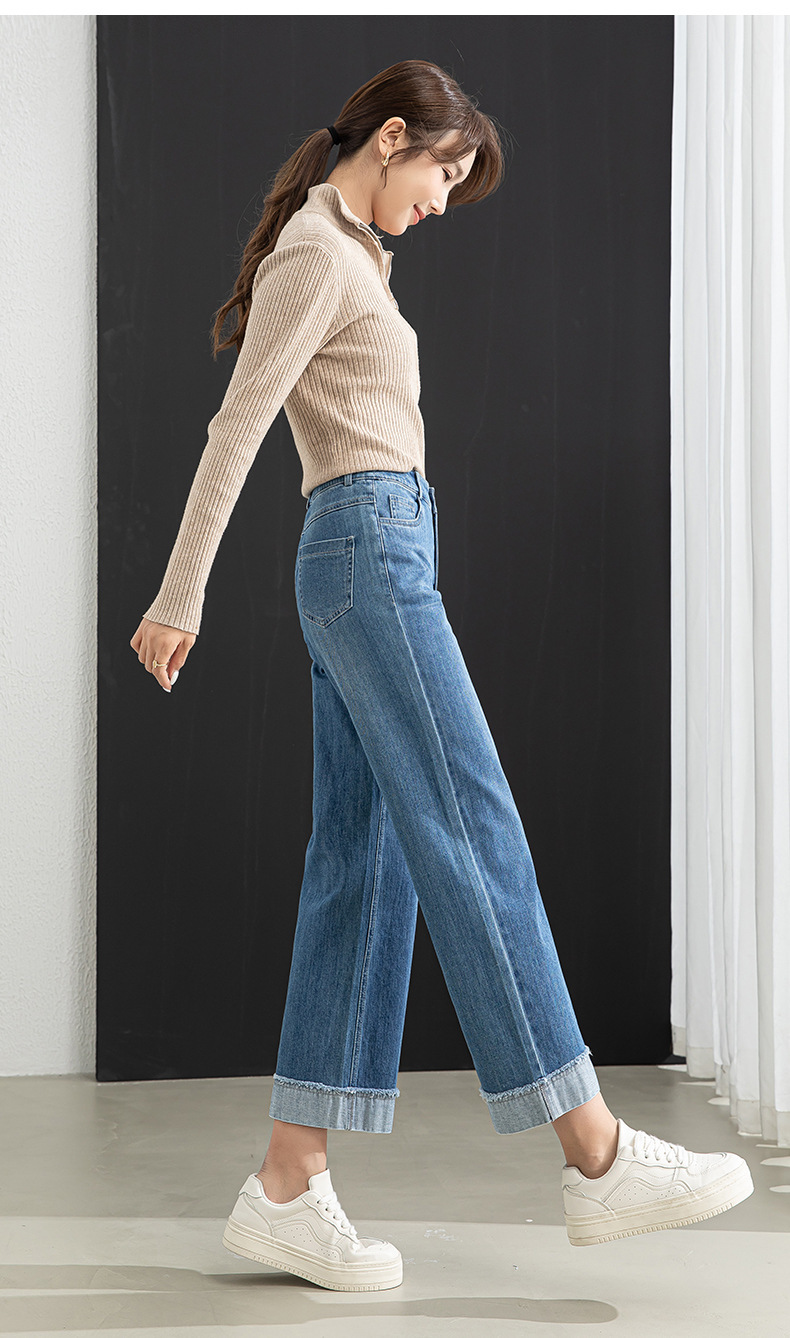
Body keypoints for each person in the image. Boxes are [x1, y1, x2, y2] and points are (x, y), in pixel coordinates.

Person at [129, 59, 753, 1292]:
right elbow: (238, 422)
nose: (444, 199)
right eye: (444, 171)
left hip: (372, 549)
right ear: (392, 137)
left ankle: (288, 1182)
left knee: (362, 863)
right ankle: (593, 1153)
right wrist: (178, 592)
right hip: (367, 552)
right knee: (470, 823)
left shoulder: (351, 251)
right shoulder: (319, 253)